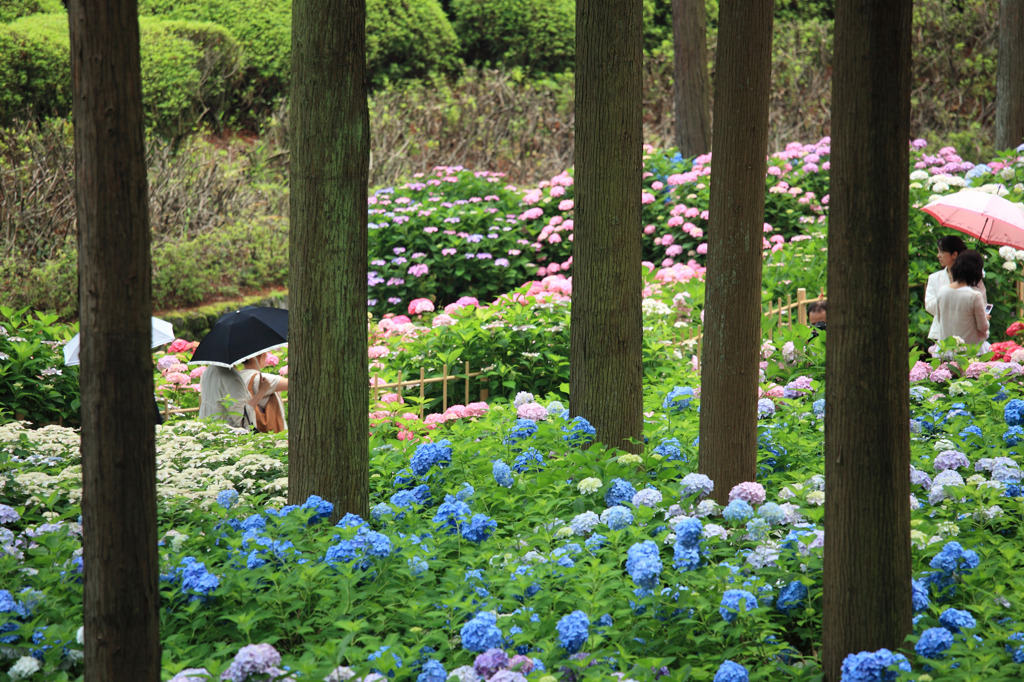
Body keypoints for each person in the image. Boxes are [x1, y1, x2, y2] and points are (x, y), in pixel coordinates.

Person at [925, 235, 987, 341]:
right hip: (941, 334)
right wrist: (949, 296)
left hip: (968, 334)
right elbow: (929, 306)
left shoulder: (974, 278)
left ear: (954, 254)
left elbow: (983, 303)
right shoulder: (934, 278)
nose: (938, 256)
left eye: (942, 252)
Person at [935, 249, 990, 350]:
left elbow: (940, 319)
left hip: (945, 350)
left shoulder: (942, 291)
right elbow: (983, 327)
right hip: (969, 351)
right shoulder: (974, 296)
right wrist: (985, 318)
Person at [237, 352, 289, 432]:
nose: (266, 355)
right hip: (270, 436)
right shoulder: (259, 379)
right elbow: (294, 383)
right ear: (255, 356)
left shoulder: (239, 376)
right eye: (265, 353)